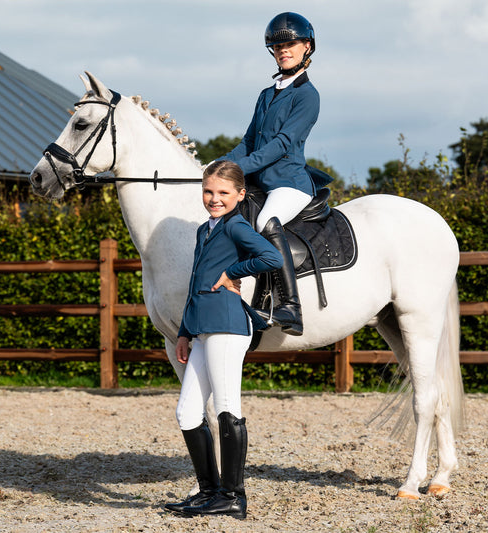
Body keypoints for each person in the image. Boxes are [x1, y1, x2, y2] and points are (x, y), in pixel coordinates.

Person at [164, 160, 283, 520]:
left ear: (240, 195)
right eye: (209, 191)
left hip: (229, 327)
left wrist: (233, 271)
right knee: (186, 413)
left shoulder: (236, 227)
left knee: (227, 407)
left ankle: (233, 495)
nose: (214, 199)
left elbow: (271, 256)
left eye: (223, 193)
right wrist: (184, 332)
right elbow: (195, 284)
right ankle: (209, 490)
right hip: (203, 328)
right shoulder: (205, 229)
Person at [218, 12, 332, 336]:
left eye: (290, 43)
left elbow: (282, 144)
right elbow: (248, 142)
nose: (284, 50)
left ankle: (292, 307)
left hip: (290, 184)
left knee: (265, 220)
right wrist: (218, 167)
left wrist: (238, 169)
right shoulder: (266, 94)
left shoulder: (308, 95)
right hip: (260, 181)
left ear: (306, 46)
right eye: (278, 45)